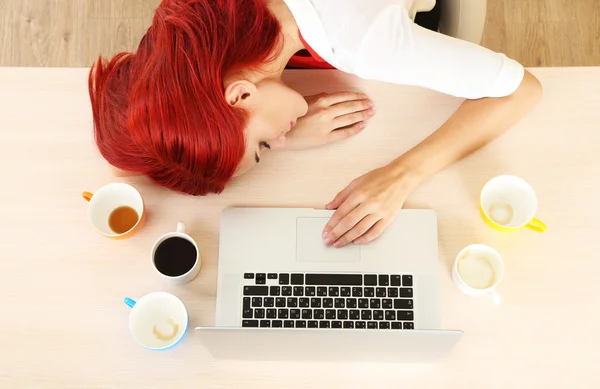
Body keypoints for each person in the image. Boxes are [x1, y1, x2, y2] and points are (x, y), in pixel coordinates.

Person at [88, 0, 542, 248]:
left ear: (241, 95)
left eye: (265, 145)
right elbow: (123, 156)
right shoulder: (196, 26)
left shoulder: (367, 45)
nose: (283, 138)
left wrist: (400, 176)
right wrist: (275, 127)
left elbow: (522, 90)